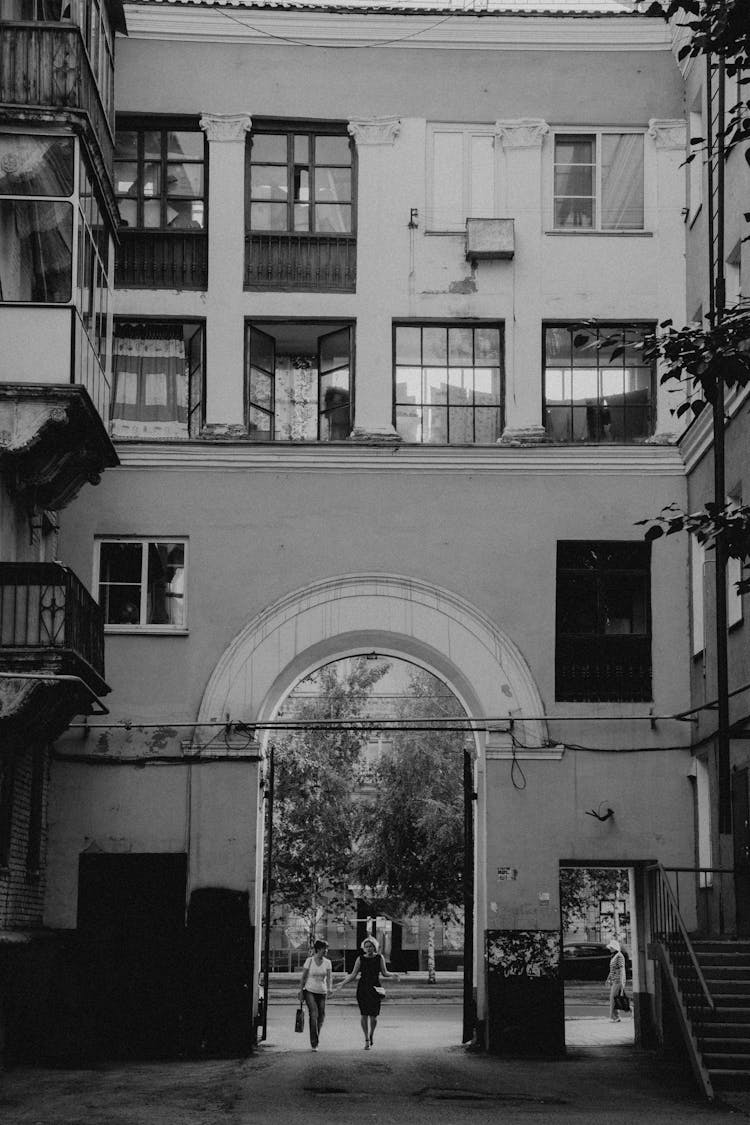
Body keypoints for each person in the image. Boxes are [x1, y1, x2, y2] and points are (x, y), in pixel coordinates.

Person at [333, 937, 399, 1049]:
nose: (369, 948)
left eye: (371, 946)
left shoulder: (379, 957)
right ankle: (366, 1039)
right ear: (364, 948)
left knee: (373, 1017)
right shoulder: (360, 959)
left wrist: (393, 974)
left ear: (375, 947)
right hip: (363, 988)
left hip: (375, 988)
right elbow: (353, 975)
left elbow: (384, 972)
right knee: (364, 1014)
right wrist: (342, 983)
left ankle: (371, 1034)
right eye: (366, 946)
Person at [299, 938, 333, 1051]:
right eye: (324, 949)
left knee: (321, 1016)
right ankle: (314, 1042)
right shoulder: (309, 961)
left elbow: (329, 977)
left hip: (322, 991)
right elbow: (303, 977)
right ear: (318, 949)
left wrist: (329, 989)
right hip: (310, 990)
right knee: (314, 1014)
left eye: (327, 949)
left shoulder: (328, 962)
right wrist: (300, 991)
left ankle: (316, 1035)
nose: (326, 951)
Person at [606, 938, 627, 1022]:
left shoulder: (619, 956)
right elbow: (612, 969)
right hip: (614, 980)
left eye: (611, 947)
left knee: (613, 998)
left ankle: (615, 1017)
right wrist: (608, 978)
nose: (610, 949)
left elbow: (622, 969)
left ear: (615, 948)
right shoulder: (614, 956)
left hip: (618, 980)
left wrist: (622, 982)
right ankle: (617, 1016)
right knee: (615, 998)